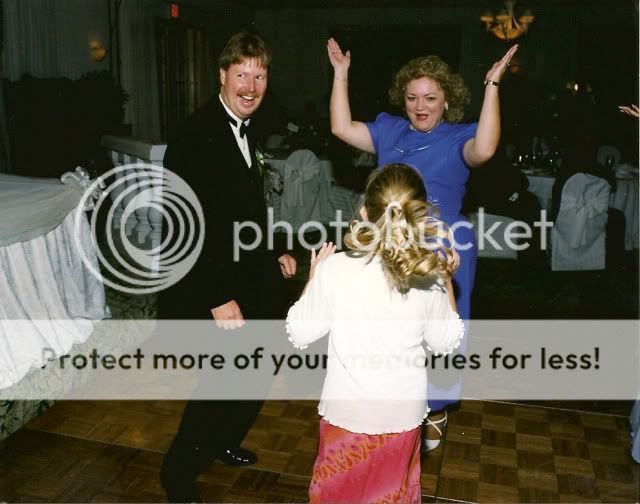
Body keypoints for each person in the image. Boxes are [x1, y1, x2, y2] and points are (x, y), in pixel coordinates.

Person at [326, 37, 517, 450]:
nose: (420, 106)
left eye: (430, 97)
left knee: (439, 333)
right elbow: (341, 127)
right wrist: (340, 74)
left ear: (448, 100)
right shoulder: (390, 129)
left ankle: (436, 407)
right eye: (412, 97)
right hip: (390, 242)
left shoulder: (459, 136)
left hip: (442, 245)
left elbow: (485, 149)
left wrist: (492, 85)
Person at [158, 31, 296, 502]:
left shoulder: (245, 127)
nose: (251, 87)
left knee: (255, 369)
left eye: (260, 76)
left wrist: (273, 249)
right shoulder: (195, 136)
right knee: (220, 381)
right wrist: (217, 298)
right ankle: (178, 473)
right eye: (242, 74)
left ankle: (224, 441)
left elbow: (242, 209)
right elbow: (186, 228)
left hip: (249, 275)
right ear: (222, 75)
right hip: (215, 285)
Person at [286, 163, 464, 503]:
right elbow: (446, 341)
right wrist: (446, 281)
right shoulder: (427, 276)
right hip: (401, 417)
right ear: (420, 216)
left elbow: (300, 331)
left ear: (365, 212)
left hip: (346, 414)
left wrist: (314, 277)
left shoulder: (335, 269)